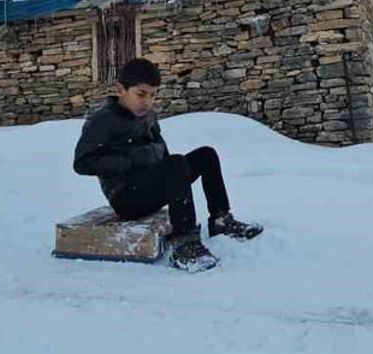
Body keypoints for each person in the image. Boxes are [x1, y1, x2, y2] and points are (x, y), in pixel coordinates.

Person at [73, 57, 263, 272]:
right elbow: (82, 163)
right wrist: (132, 160)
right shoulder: (102, 121)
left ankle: (221, 219)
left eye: (153, 95)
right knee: (176, 162)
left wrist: (173, 175)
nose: (147, 101)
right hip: (126, 198)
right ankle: (184, 245)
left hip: (150, 187)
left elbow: (162, 151)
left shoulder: (147, 115)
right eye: (141, 94)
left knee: (206, 155)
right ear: (120, 90)